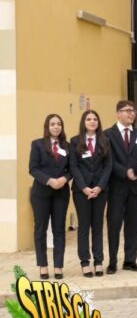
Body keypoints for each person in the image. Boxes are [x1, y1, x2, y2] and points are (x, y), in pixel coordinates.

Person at [105, 100, 137, 274]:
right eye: (128, 111)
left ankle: (130, 260)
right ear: (118, 113)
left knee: (133, 226)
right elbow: (108, 161)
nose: (132, 114)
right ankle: (112, 261)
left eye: (134, 111)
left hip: (134, 188)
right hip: (116, 188)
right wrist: (126, 172)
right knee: (114, 225)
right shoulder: (108, 135)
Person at [69, 110, 112, 277]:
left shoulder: (105, 141)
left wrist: (100, 187)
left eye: (95, 119)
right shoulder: (75, 141)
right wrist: (84, 187)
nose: (92, 122)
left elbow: (108, 166)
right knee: (84, 226)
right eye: (89, 119)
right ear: (83, 122)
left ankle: (99, 260)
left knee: (98, 225)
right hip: (82, 191)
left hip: (100, 191)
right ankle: (85, 262)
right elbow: (74, 166)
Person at [29, 114, 72, 280]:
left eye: (59, 124)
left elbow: (72, 169)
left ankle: (58, 266)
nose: (56, 127)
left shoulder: (67, 146)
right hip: (41, 193)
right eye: (53, 124)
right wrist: (49, 180)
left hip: (61, 193)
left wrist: (64, 179)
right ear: (47, 127)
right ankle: (43, 265)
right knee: (40, 229)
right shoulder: (38, 144)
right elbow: (33, 168)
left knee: (59, 229)